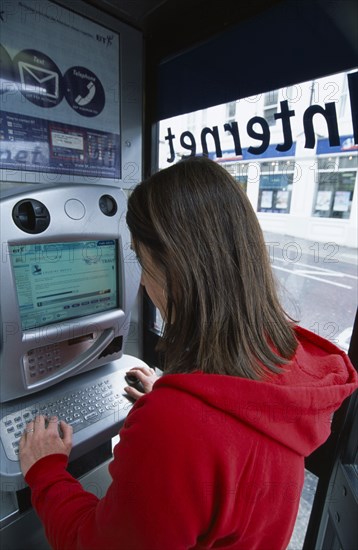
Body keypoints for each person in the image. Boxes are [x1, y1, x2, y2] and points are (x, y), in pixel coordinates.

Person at [19, 156, 357, 550]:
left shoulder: (176, 427)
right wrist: (179, 396)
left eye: (143, 263)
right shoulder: (283, 360)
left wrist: (45, 470)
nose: (143, 284)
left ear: (177, 272)